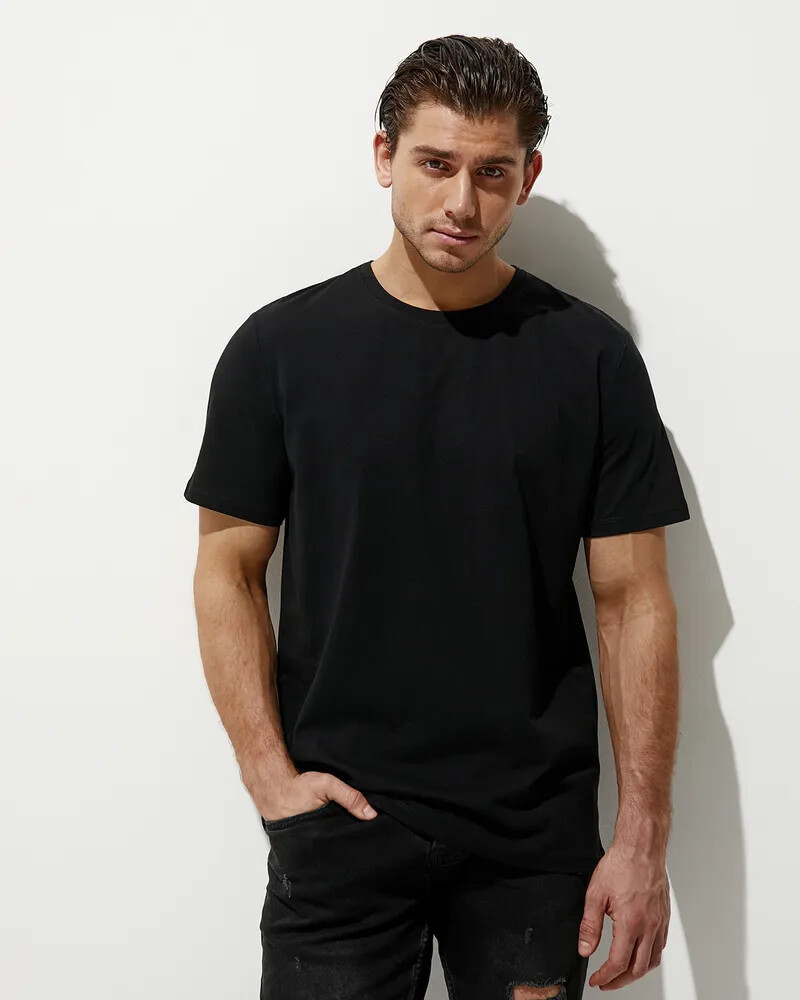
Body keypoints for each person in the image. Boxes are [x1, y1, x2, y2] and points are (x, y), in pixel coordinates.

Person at [184, 33, 690, 1000]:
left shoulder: (589, 359)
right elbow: (227, 569)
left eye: (492, 172)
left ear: (527, 177)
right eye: (435, 164)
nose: (461, 202)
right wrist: (271, 783)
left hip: (533, 840)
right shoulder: (280, 349)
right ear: (384, 157)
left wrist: (641, 842)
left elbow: (634, 601)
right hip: (340, 826)